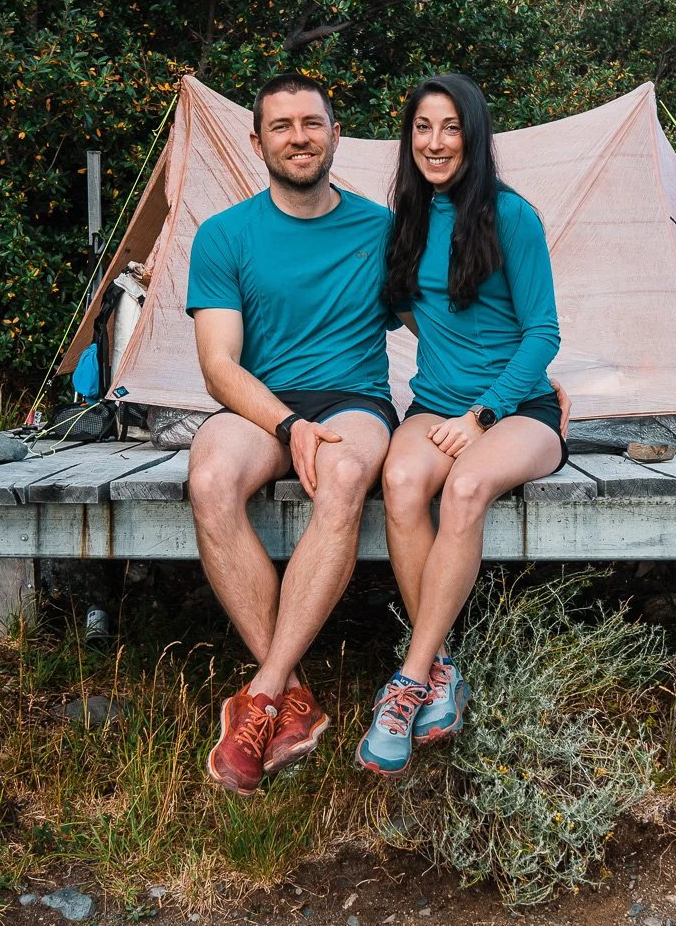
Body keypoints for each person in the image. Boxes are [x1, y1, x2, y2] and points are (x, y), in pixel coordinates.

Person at [186, 73, 400, 795]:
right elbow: (218, 366)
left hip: (355, 401)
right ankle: (295, 699)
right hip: (263, 405)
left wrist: (518, 384)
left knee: (343, 477)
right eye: (281, 126)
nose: (299, 137)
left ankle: (266, 693)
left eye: (312, 123)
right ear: (257, 142)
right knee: (210, 479)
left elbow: (451, 323)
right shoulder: (224, 235)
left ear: (336, 134)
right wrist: (287, 424)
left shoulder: (383, 230)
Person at [359, 73, 565, 777]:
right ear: (408, 138)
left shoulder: (513, 216)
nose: (436, 142)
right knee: (403, 477)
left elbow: (543, 332)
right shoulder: (408, 221)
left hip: (515, 413)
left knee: (467, 487)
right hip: (435, 406)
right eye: (423, 127)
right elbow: (412, 311)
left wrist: (485, 412)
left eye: (450, 127)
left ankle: (409, 679)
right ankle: (445, 670)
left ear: (473, 136)